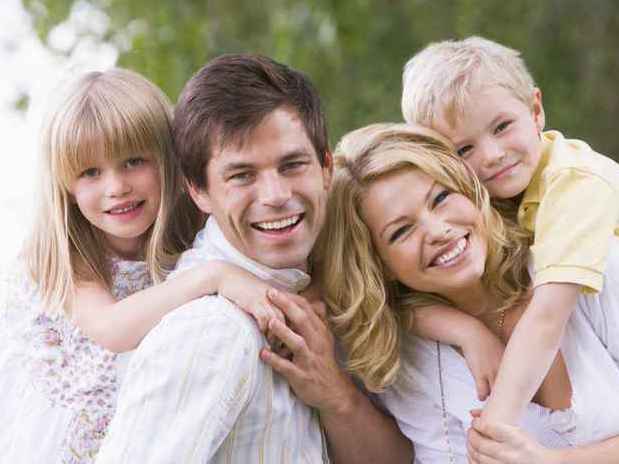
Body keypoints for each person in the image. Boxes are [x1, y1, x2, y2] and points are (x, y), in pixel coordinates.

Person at [96, 55, 412, 464]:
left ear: (326, 168)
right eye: (242, 175)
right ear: (198, 192)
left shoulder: (332, 284)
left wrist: (336, 395)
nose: (275, 195)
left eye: (292, 165)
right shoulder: (211, 331)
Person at [0, 68, 299, 464]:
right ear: (66, 187)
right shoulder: (61, 255)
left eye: (133, 161)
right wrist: (215, 277)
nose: (116, 187)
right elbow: (113, 328)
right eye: (90, 172)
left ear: (170, 160)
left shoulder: (191, 232)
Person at [320, 122, 619, 462]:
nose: (438, 230)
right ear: (379, 263)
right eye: (401, 231)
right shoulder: (412, 362)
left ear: (467, 187)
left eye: (441, 198)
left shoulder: (584, 266)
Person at [399, 36, 619, 425]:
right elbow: (394, 302)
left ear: (535, 110)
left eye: (502, 126)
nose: (492, 155)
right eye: (463, 150)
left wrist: (499, 418)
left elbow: (548, 316)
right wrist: (465, 330)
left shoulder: (575, 182)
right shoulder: (488, 201)